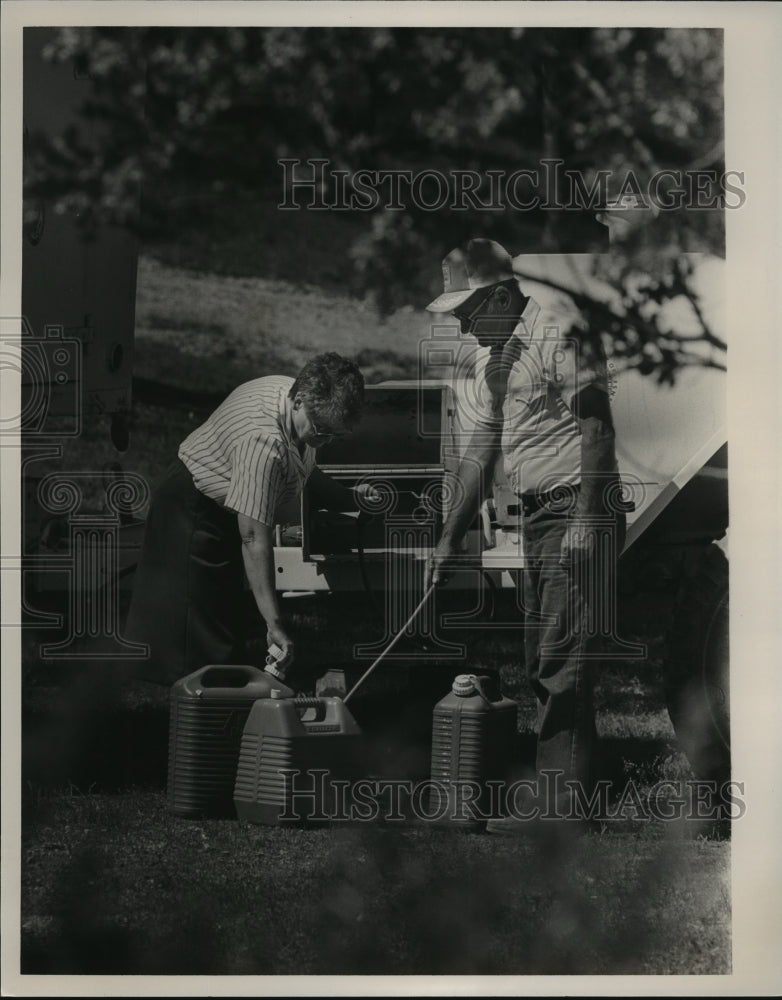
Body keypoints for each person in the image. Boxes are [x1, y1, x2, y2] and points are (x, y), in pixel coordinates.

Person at [423, 239, 626, 832]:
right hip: (538, 516)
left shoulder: (560, 332)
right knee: (542, 654)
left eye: (466, 308)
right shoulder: (498, 355)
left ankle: (559, 811)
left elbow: (596, 424)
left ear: (502, 294)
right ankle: (563, 800)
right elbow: (479, 451)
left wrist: (588, 518)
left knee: (560, 660)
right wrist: (448, 536)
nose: (460, 321)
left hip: (572, 511)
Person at [126, 352, 375, 685]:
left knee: (223, 625)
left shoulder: (298, 403)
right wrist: (274, 623)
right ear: (299, 400)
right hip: (192, 514)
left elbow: (305, 473)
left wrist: (351, 498)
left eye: (334, 436)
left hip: (219, 510)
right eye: (321, 432)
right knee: (197, 641)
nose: (324, 441)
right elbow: (254, 538)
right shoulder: (263, 441)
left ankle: (213, 717)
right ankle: (190, 724)